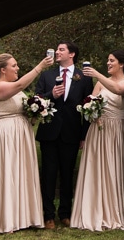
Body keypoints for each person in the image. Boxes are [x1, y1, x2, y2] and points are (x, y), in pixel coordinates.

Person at [0, 52, 53, 234]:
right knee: (6, 173)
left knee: (20, 173)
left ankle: (23, 216)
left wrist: (35, 114)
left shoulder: (14, 88)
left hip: (20, 134)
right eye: (14, 65)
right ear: (3, 70)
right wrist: (40, 67)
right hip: (5, 136)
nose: (17, 68)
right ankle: (4, 218)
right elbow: (19, 85)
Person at [71, 50, 124, 231]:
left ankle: (112, 213)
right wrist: (91, 112)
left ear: (121, 64)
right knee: (95, 167)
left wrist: (95, 72)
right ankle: (91, 211)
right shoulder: (100, 83)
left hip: (118, 130)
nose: (108, 63)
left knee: (113, 168)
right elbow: (90, 102)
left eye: (111, 60)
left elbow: (119, 90)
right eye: (107, 60)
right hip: (97, 130)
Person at [34, 41, 92, 228]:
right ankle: (48, 215)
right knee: (48, 174)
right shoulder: (47, 75)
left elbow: (88, 107)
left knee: (68, 174)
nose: (57, 52)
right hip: (50, 131)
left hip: (72, 132)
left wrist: (84, 135)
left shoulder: (83, 77)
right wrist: (51, 95)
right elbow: (36, 99)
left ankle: (65, 213)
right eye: (57, 50)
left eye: (61, 50)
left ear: (72, 54)